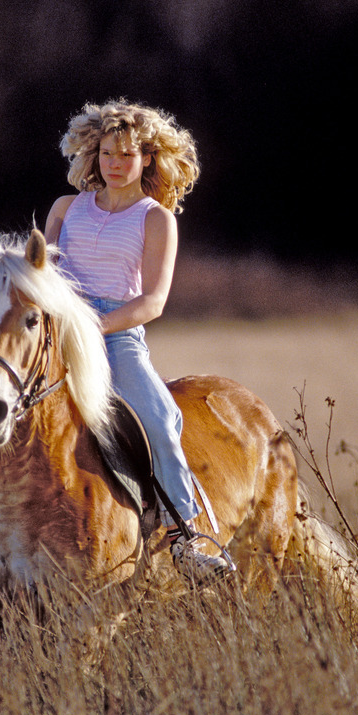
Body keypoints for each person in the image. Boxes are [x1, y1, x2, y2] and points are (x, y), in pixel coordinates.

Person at [44, 98, 233, 584]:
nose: (115, 164)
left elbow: (152, 302)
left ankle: (186, 537)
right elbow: (45, 276)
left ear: (147, 158)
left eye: (127, 155)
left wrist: (92, 327)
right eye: (108, 153)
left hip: (116, 333)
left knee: (158, 415)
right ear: (94, 153)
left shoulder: (156, 218)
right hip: (57, 325)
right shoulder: (66, 208)